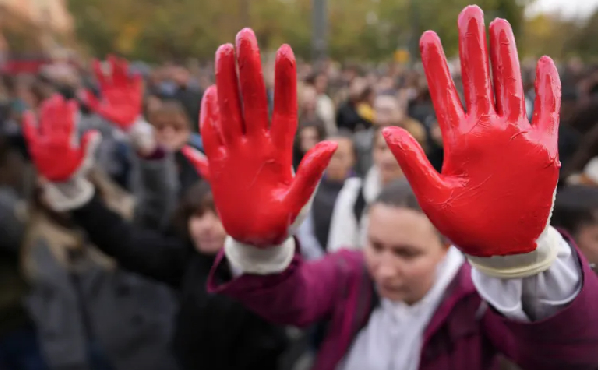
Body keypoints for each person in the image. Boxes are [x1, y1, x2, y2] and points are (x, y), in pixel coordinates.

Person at [184, 9, 597, 370]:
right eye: (376, 246)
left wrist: (519, 262)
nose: (384, 267)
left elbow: (573, 354)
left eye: (406, 253)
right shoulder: (352, 273)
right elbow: (295, 301)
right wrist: (258, 250)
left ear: (445, 249)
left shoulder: (475, 304)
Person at [24, 63, 289, 370]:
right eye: (197, 217)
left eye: (216, 216)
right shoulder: (187, 261)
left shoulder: (266, 273)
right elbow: (122, 240)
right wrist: (76, 196)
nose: (205, 226)